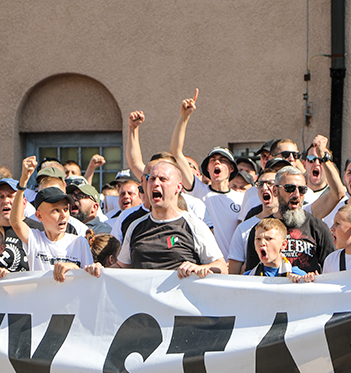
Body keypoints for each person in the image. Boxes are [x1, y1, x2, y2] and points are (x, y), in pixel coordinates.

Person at [167, 90, 245, 260]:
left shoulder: (241, 199)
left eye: (222, 160)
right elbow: (176, 152)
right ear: (207, 169)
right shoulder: (199, 191)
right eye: (213, 160)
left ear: (231, 169)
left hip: (232, 268)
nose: (217, 163)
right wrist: (184, 117)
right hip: (204, 267)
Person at [116, 160, 225, 278]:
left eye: (163, 179)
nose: (155, 183)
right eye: (151, 179)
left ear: (178, 187)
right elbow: (121, 266)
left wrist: (201, 268)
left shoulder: (194, 225)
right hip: (141, 296)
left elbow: (222, 267)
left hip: (180, 296)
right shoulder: (135, 226)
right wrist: (98, 271)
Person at [11, 157, 94, 280]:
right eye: (56, 210)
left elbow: (90, 279)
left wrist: (74, 268)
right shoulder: (35, 239)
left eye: (65, 209)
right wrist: (23, 181)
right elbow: (16, 222)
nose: (63, 215)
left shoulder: (80, 242)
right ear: (39, 216)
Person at [242, 166, 335, 274]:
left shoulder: (318, 227)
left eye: (302, 189)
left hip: (307, 289)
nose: (296, 194)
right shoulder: (261, 229)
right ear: (275, 191)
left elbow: (332, 269)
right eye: (289, 188)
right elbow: (252, 273)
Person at [229, 167, 279, 274]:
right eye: (260, 184)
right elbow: (234, 272)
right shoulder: (244, 227)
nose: (265, 188)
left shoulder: (291, 223)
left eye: (270, 183)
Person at [243, 218, 310, 281]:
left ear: (283, 244)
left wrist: (306, 280)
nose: (262, 243)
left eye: (268, 238)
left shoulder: (297, 275)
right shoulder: (247, 278)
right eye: (258, 239)